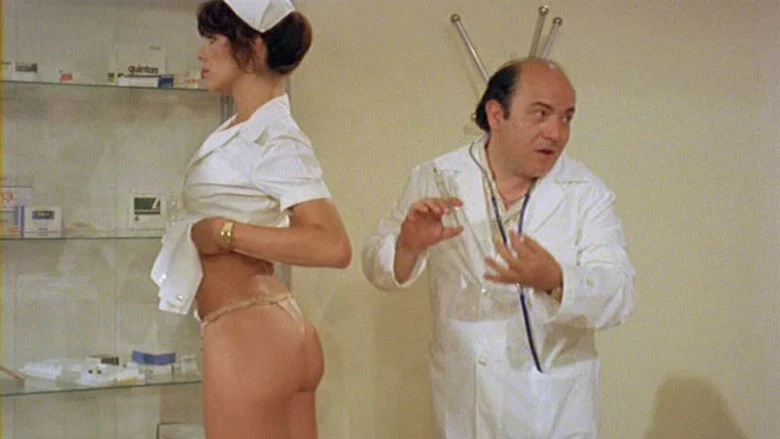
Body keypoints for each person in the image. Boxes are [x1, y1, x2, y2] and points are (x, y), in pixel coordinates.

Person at [362, 58, 635, 438]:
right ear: (496, 114)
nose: (556, 132)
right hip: (464, 403)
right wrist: (408, 247)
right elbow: (377, 266)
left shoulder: (585, 193)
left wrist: (556, 280)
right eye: (541, 114)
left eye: (566, 118)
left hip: (553, 412)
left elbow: (620, 293)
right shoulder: (438, 177)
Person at [150, 1, 351, 438]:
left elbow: (332, 245)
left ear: (254, 49)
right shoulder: (242, 129)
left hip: (247, 335)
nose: (201, 53)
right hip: (271, 328)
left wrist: (224, 233)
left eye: (213, 40)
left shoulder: (274, 138)